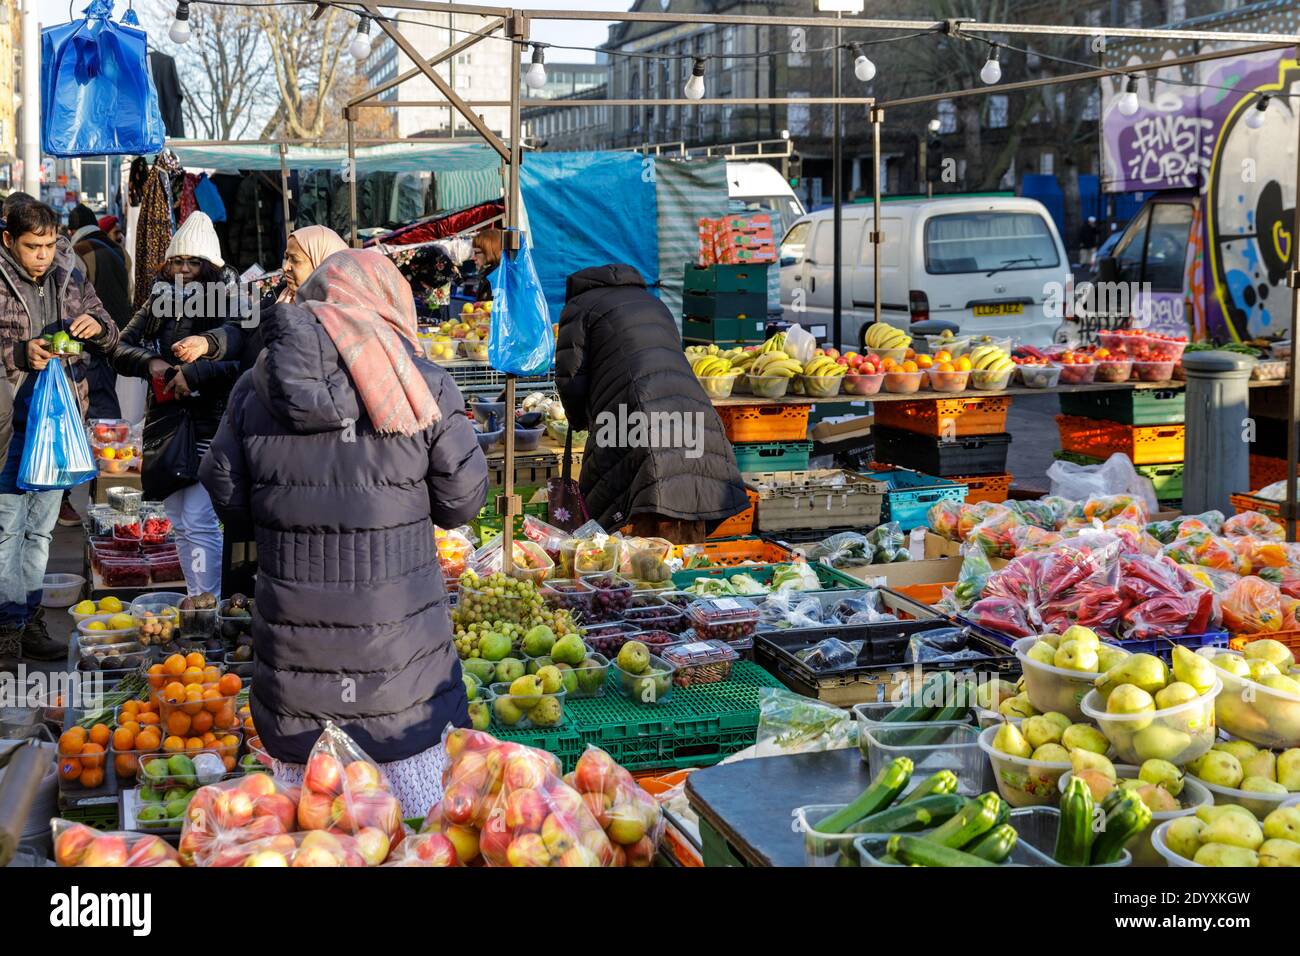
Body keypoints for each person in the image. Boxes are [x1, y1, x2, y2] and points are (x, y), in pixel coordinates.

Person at [199, 248, 487, 814]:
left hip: (295, 679)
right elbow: (461, 502)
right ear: (387, 304)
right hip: (402, 673)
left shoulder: (258, 388)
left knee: (313, 836)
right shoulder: (419, 383)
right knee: (404, 836)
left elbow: (227, 496)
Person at [0, 201, 119, 664]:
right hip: (10, 425)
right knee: (8, 530)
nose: (44, 255)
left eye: (50, 245)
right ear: (8, 240)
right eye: (33, 247)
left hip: (58, 424)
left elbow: (110, 329)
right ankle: (7, 629)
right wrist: (17, 353)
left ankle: (28, 622)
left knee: (42, 532)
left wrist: (97, 329)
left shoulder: (70, 271)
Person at [554, 263, 749, 543]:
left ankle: (647, 579)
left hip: (632, 411)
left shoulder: (579, 306)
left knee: (645, 508)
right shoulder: (654, 303)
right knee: (681, 497)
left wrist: (578, 420)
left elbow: (570, 378)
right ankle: (685, 572)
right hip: (692, 408)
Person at [106, 212, 241, 598]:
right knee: (181, 520)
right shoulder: (158, 298)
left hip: (212, 425)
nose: (183, 269)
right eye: (178, 260)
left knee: (198, 519)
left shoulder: (231, 298)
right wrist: (155, 364)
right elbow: (120, 347)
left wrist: (195, 371)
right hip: (167, 427)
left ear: (210, 265)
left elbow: (242, 358)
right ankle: (197, 600)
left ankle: (207, 604)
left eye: (193, 262)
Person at [170, 224, 348, 370]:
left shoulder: (336, 316)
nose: (285, 267)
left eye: (295, 260)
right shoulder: (279, 295)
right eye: (286, 258)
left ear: (322, 263)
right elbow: (244, 328)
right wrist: (206, 343)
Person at [469, 228, 502, 302]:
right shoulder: (492, 273)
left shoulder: (498, 276)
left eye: (476, 252)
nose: (474, 258)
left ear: (489, 251)